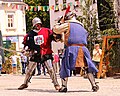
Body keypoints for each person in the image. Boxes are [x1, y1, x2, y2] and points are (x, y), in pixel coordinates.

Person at [53, 9, 99, 92]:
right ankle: (94, 84)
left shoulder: (68, 24)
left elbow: (56, 30)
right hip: (84, 49)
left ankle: (64, 86)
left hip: (71, 48)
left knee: (65, 66)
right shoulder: (82, 26)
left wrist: (60, 22)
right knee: (87, 67)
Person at [18, 17, 60, 90]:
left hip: (46, 52)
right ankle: (25, 83)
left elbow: (54, 38)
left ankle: (56, 84)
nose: (38, 25)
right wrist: (24, 50)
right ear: (34, 25)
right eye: (36, 24)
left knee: (50, 69)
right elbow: (26, 44)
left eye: (39, 24)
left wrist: (57, 34)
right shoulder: (30, 34)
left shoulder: (47, 31)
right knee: (29, 70)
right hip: (35, 53)